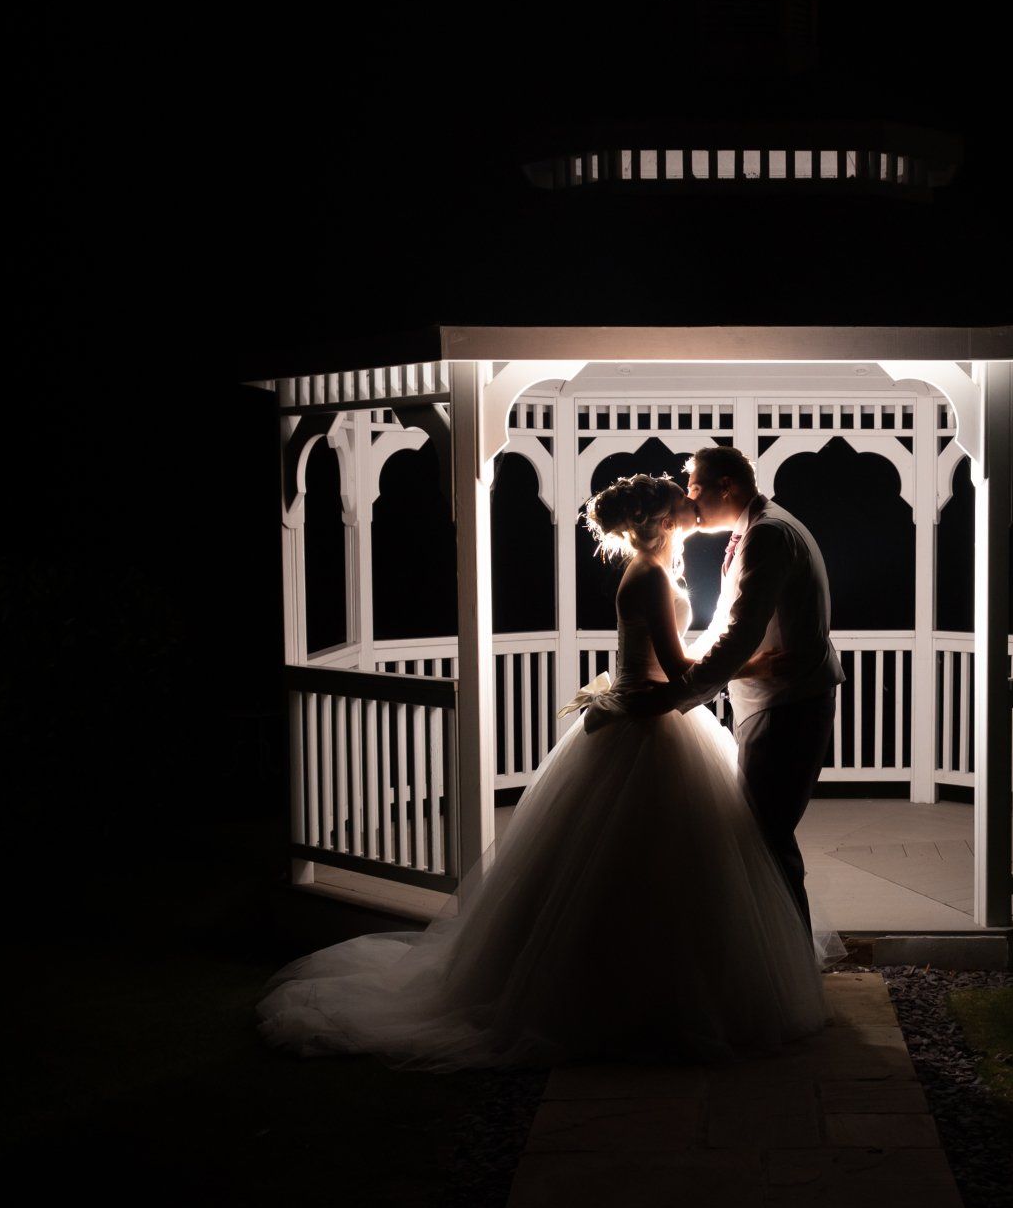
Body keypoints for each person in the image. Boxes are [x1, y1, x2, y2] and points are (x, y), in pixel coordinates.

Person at [255, 472, 844, 1069]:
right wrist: (757, 665)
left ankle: (654, 985)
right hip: (649, 726)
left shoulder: (656, 572)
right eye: (680, 502)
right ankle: (635, 995)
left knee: (652, 867)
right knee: (646, 865)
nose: (691, 506)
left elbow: (672, 665)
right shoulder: (651, 577)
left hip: (653, 718)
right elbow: (674, 667)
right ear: (664, 522)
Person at [673, 446, 846, 936]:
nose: (691, 500)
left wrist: (680, 697)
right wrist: (683, 670)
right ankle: (785, 959)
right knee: (763, 834)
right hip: (772, 704)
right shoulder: (755, 530)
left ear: (726, 486)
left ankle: (792, 964)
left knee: (767, 837)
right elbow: (726, 626)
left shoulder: (769, 535)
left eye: (696, 488)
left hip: (787, 707)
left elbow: (740, 634)